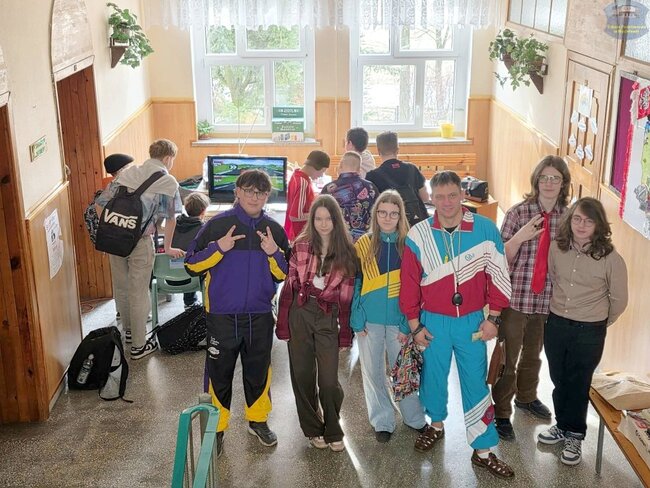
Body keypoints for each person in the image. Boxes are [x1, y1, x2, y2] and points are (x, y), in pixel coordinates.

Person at [399, 171, 514, 479]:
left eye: (452, 195)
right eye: (440, 197)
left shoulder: (485, 229)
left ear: (462, 195)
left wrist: (494, 318)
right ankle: (435, 425)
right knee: (433, 378)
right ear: (431, 198)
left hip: (473, 321)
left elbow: (499, 275)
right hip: (432, 321)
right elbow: (409, 285)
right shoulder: (419, 235)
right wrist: (415, 326)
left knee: (476, 383)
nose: (447, 203)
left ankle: (483, 449)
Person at [184, 170, 290, 457]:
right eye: (249, 190)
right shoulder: (216, 225)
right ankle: (216, 428)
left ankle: (258, 420)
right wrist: (219, 248)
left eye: (261, 192)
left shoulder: (274, 229)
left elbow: (284, 274)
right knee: (219, 373)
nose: (255, 197)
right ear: (238, 192)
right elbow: (191, 264)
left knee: (259, 370)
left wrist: (273, 252)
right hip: (221, 315)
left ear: (267, 196)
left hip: (259, 314)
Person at [538, 197, 628, 466]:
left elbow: (619, 300)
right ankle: (562, 425)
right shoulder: (557, 247)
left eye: (588, 221)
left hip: (589, 330)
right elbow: (554, 277)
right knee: (558, 378)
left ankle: (575, 434)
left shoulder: (611, 258)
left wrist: (599, 322)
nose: (581, 225)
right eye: (577, 218)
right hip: (557, 323)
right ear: (569, 220)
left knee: (578, 382)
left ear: (598, 225)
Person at [492, 156, 572, 440]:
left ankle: (526, 397)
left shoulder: (569, 217)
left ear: (563, 184)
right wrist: (520, 237)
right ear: (536, 181)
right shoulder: (518, 213)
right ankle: (501, 412)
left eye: (555, 178)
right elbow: (498, 258)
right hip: (516, 299)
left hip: (547, 301)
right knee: (508, 358)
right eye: (544, 178)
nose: (549, 183)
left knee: (533, 355)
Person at [276, 195, 357, 452]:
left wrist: (345, 334)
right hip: (299, 311)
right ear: (312, 220)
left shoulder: (347, 252)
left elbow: (346, 299)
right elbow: (289, 286)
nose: (323, 224)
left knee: (329, 381)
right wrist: (283, 324)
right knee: (302, 375)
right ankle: (312, 428)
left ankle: (333, 428)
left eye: (328, 219)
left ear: (336, 220)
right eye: (318, 219)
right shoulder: (301, 245)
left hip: (328, 315)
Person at [96, 140, 184, 360]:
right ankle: (138, 345)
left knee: (122, 287)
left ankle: (128, 332)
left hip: (114, 239)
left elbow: (99, 204)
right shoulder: (167, 181)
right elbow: (170, 218)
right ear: (168, 158)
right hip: (140, 242)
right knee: (138, 291)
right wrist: (168, 246)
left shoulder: (127, 172)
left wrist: (111, 227)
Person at [351, 190, 427, 442]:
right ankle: (382, 420)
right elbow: (356, 282)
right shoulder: (363, 244)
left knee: (404, 371)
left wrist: (408, 323)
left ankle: (414, 417)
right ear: (375, 214)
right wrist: (356, 315)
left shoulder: (409, 246)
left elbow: (416, 287)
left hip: (399, 321)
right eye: (382, 212)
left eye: (393, 213)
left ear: (400, 216)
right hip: (369, 320)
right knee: (372, 372)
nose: (387, 217)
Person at [365, 131, 429, 226]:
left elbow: (371, 208)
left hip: (391, 226)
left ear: (378, 151)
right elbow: (425, 198)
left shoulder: (372, 176)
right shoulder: (412, 169)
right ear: (397, 150)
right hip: (416, 225)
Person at [320, 151, 378, 242]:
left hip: (336, 241)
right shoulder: (371, 187)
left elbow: (320, 215)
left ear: (340, 165)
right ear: (359, 169)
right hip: (365, 242)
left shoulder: (329, 189)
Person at [171, 191, 210, 308]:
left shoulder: (173, 224)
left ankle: (189, 301)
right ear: (203, 211)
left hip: (168, 276)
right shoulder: (203, 229)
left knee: (185, 260)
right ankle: (191, 301)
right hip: (192, 277)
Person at [285, 150, 331, 241]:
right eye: (323, 171)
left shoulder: (296, 175)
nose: (321, 175)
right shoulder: (303, 182)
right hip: (301, 233)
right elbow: (295, 216)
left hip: (296, 232)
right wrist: (317, 213)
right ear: (316, 167)